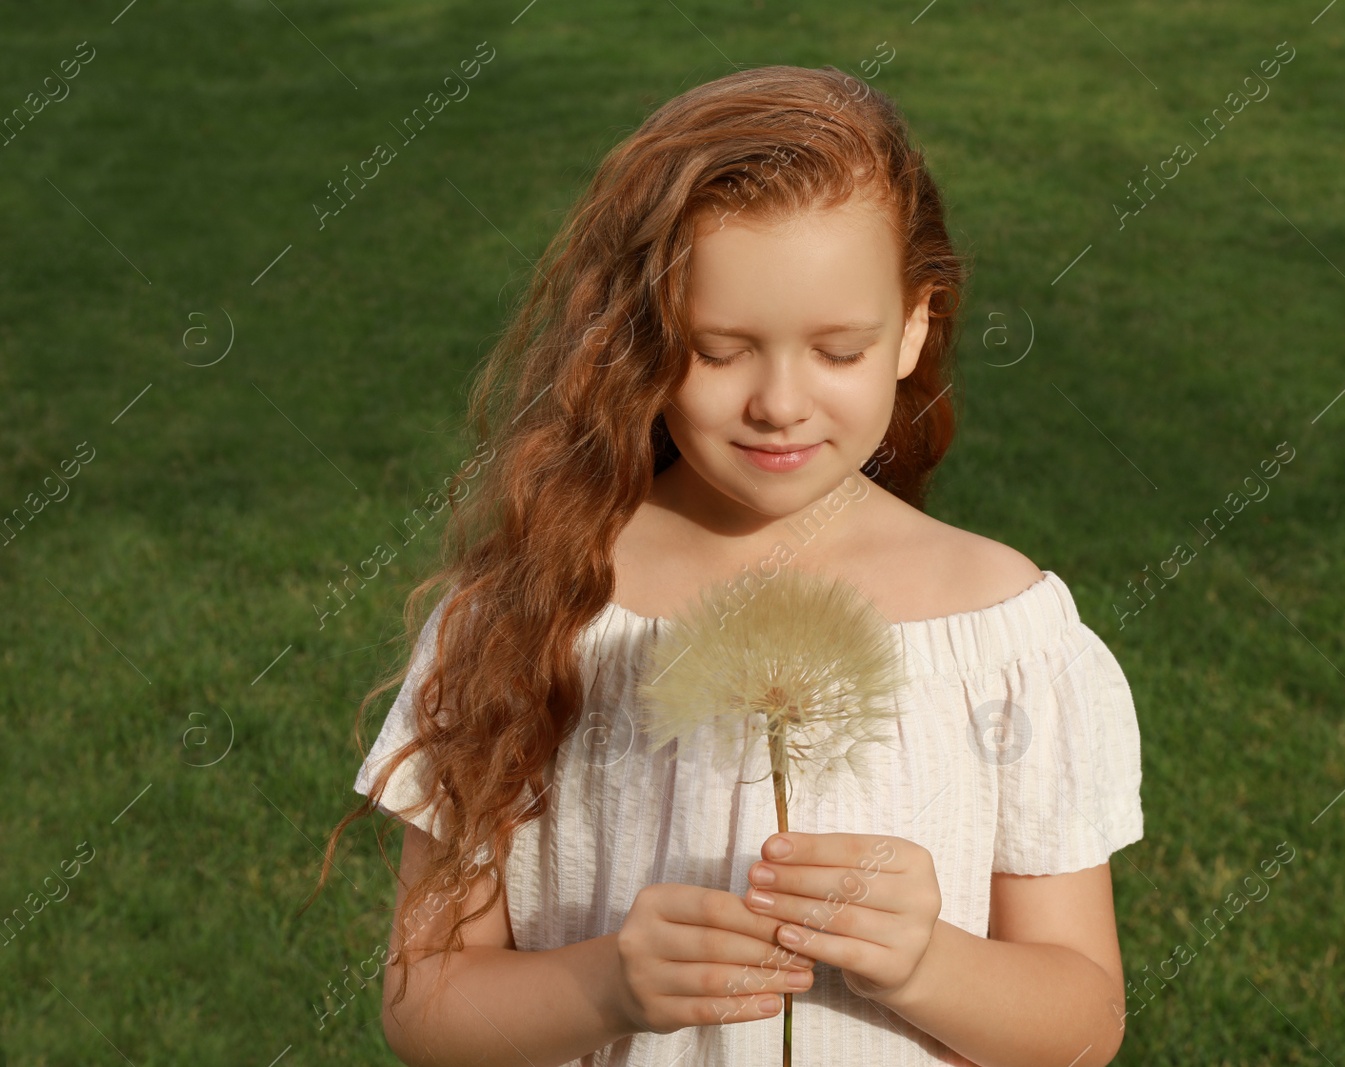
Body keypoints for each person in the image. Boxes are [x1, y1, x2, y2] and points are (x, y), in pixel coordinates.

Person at [313, 64, 1144, 1067]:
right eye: (718, 350)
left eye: (837, 349)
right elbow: (427, 1003)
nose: (779, 401)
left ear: (913, 326)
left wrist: (926, 959)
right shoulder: (533, 612)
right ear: (643, 336)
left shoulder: (1005, 630)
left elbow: (1082, 1019)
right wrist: (608, 981)